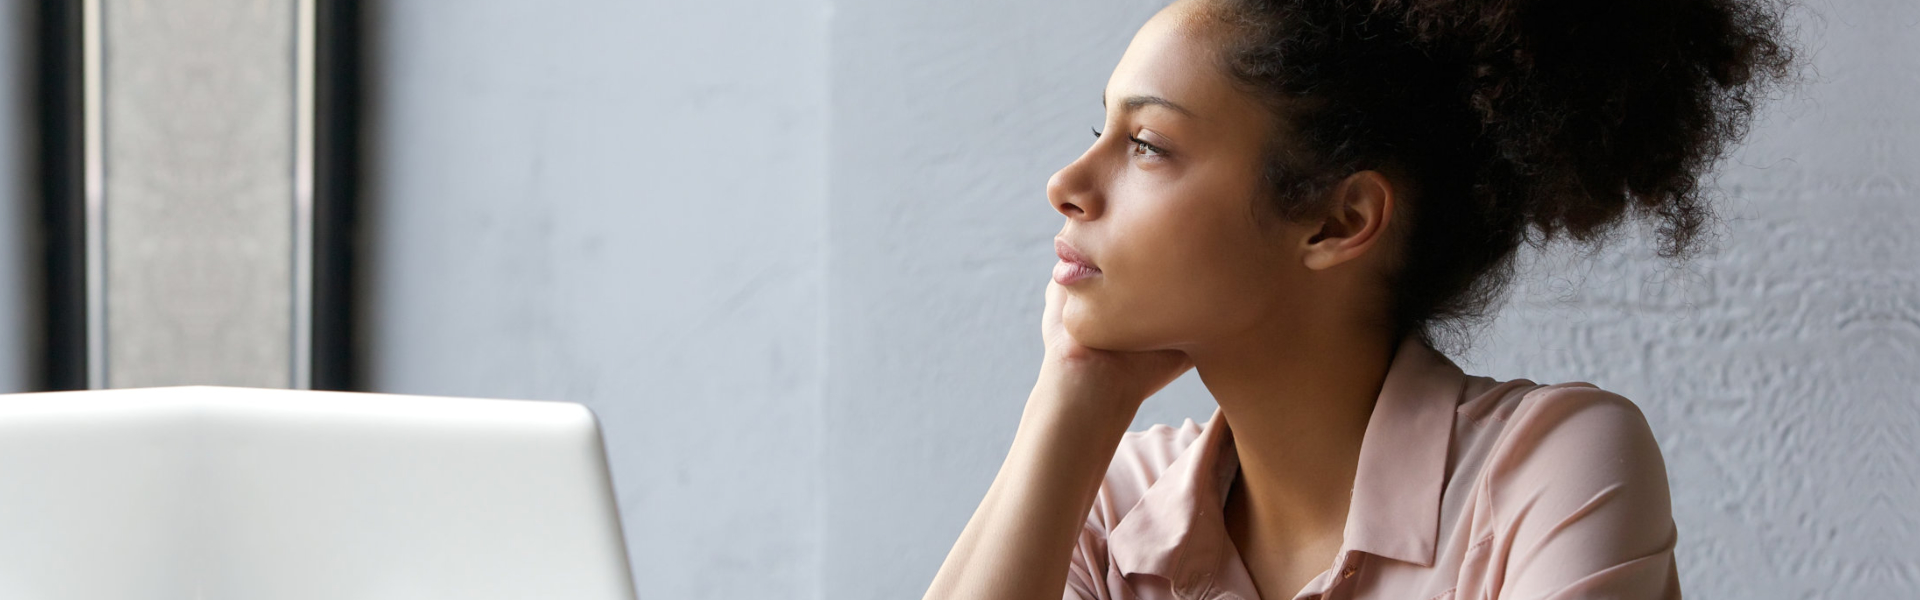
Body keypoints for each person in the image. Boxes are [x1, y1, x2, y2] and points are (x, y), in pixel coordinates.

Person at [923, 0, 1793, 598]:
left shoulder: (1548, 472)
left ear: (1339, 221)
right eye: (1098, 131)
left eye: (1146, 145)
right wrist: (1074, 394)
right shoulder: (1117, 503)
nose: (1066, 184)